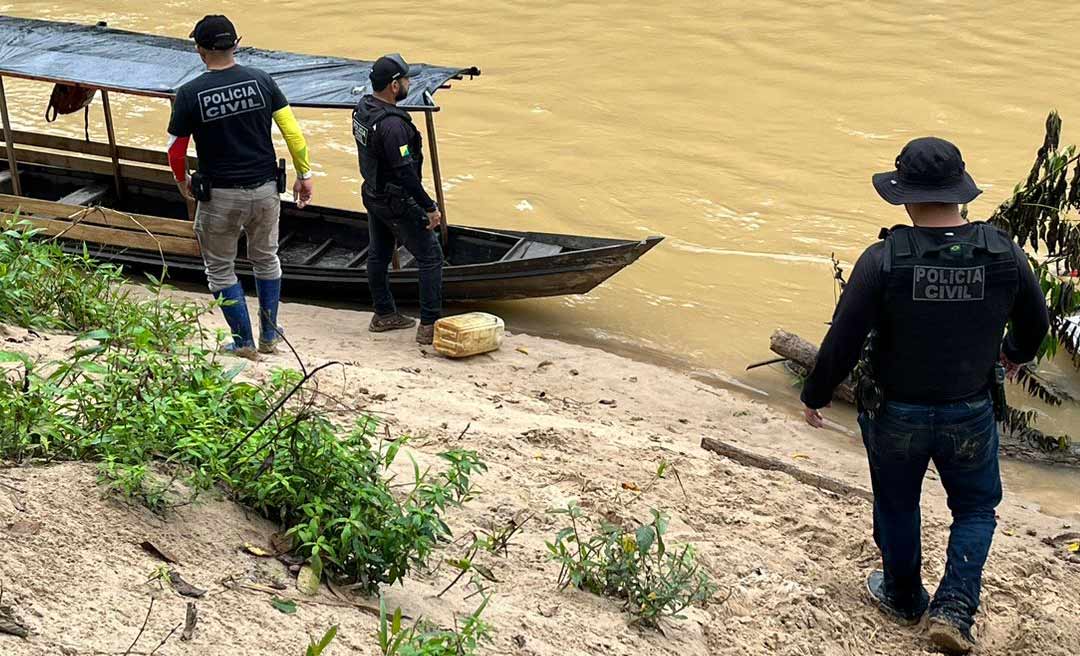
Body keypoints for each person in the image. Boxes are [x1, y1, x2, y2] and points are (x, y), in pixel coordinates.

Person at [800, 137, 1049, 654]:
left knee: (897, 503)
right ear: (961, 194)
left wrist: (817, 393)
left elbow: (843, 339)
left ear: (904, 197)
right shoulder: (1004, 253)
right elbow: (1036, 323)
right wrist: (1013, 351)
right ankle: (956, 608)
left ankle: (903, 595)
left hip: (896, 413)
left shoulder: (882, 260)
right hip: (970, 410)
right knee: (977, 509)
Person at [166, 15, 314, 359]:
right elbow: (292, 132)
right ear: (236, 44)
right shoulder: (262, 80)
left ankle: (244, 342)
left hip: (219, 195)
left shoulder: (189, 93)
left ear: (200, 51)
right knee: (266, 260)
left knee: (219, 268)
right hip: (265, 190)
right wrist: (304, 174)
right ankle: (269, 335)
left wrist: (180, 181)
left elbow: (175, 150)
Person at [351, 53, 444, 345]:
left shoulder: (362, 109)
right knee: (431, 257)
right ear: (394, 86)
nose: (408, 84)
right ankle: (428, 326)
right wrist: (429, 207)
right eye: (406, 80)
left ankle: (384, 314)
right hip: (396, 201)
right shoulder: (393, 127)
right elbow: (406, 174)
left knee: (378, 254)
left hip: (374, 194)